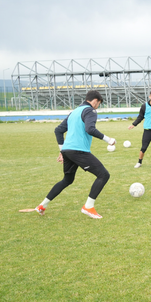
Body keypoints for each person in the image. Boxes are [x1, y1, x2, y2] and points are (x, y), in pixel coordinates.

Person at [34, 91, 116, 219]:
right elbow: (90, 129)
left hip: (68, 151)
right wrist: (108, 139)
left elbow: (58, 130)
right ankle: (88, 207)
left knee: (67, 180)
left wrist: (62, 151)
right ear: (95, 101)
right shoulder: (90, 111)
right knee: (103, 175)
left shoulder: (74, 112)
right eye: (98, 104)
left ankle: (42, 206)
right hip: (78, 151)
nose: (97, 107)